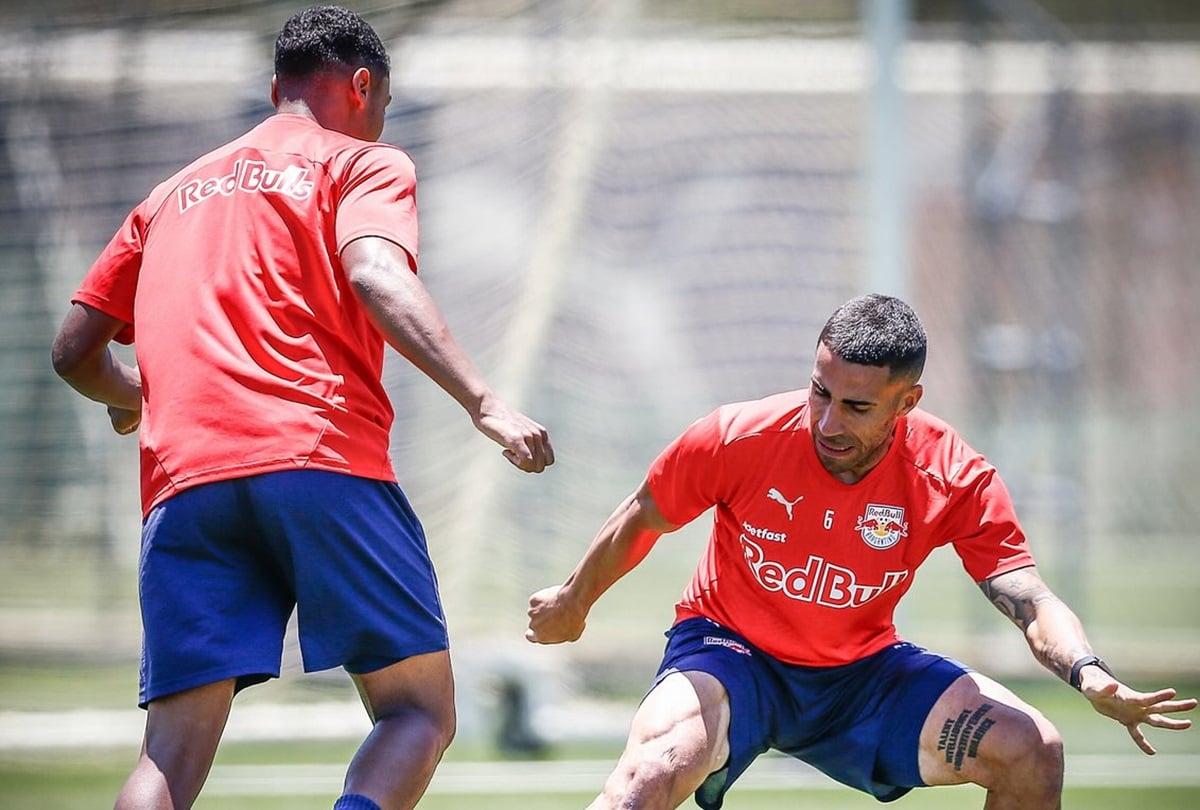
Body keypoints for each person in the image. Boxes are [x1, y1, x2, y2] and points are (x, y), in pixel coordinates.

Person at [50, 6, 554, 810]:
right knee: (418, 711)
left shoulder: (172, 191)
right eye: (381, 104)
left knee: (170, 759)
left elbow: (74, 350)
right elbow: (376, 274)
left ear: (273, 86)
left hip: (184, 488)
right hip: (318, 463)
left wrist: (132, 399)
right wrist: (483, 401)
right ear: (362, 85)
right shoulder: (361, 162)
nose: (379, 121)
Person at [526, 293, 1194, 809]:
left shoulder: (954, 475)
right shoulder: (738, 436)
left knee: (1033, 749)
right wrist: (573, 601)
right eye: (819, 392)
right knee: (650, 772)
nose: (826, 422)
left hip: (860, 676)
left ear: (908, 401)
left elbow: (1027, 595)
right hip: (730, 655)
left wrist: (1089, 673)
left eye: (855, 407)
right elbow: (643, 516)